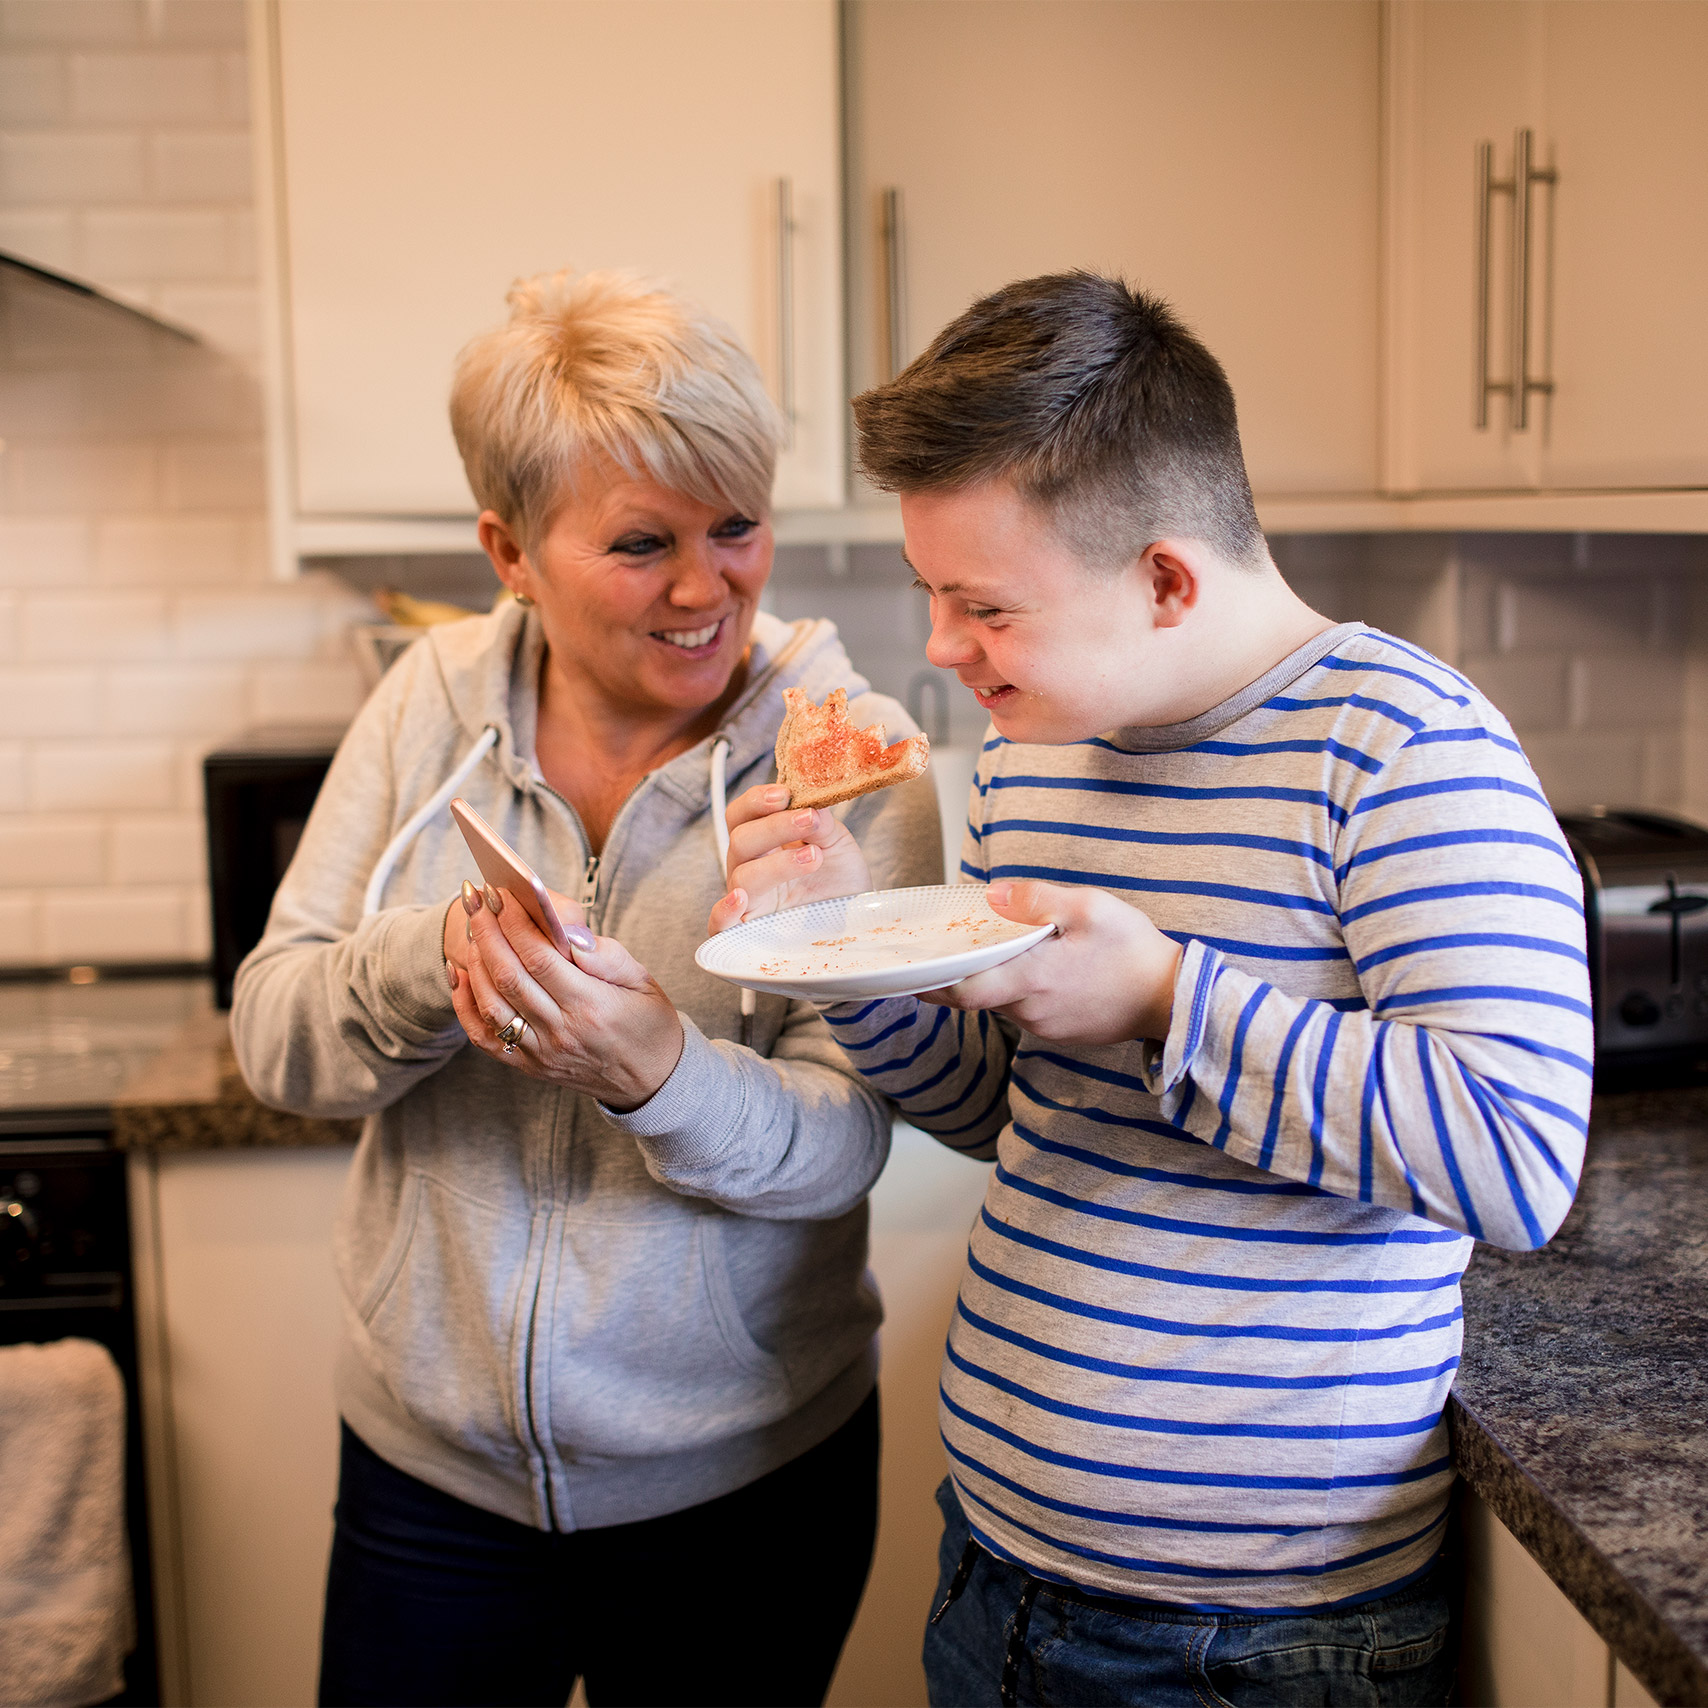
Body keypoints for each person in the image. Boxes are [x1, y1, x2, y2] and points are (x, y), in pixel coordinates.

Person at [715, 271, 1592, 1707]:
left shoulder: (1410, 756)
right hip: (993, 1561)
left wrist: (1170, 999)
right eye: (930, 595)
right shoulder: (1035, 744)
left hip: (1255, 1641)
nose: (942, 649)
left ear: (1167, 578)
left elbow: (1515, 1157)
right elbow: (1002, 1112)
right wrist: (845, 947)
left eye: (983, 605)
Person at [230, 269, 940, 1708]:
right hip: (431, 1486)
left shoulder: (846, 753)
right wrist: (431, 966)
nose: (707, 586)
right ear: (510, 549)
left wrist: (659, 1074)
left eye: (737, 525)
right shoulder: (427, 702)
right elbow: (275, 1039)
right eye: (639, 543)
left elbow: (852, 1137)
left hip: (747, 1484)